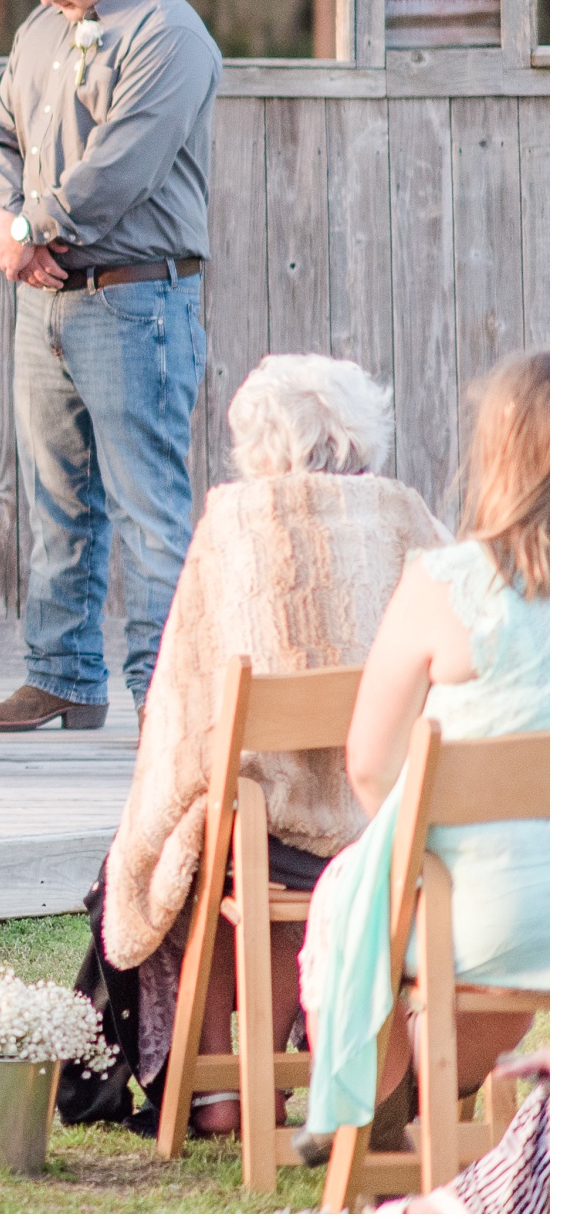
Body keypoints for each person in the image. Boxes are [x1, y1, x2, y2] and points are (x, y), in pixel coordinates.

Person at [94, 355, 447, 1134]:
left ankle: (223, 1093)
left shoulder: (233, 524)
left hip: (268, 825)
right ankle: (292, 1074)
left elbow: (183, 697)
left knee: (201, 832)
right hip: (384, 815)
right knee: (257, 829)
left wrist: (169, 801)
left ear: (258, 441)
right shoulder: (406, 516)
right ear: (356, 430)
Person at [0, 0, 222, 732]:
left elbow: (120, 165)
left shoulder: (170, 36)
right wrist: (10, 226)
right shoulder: (45, 29)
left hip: (136, 302)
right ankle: (64, 677)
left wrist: (33, 225)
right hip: (45, 304)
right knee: (55, 498)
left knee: (150, 510)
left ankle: (166, 702)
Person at [298, 351, 549, 1159]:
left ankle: (373, 1108)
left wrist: (415, 852)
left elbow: (370, 763)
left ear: (496, 456)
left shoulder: (447, 584)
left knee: (354, 899)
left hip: (479, 910)